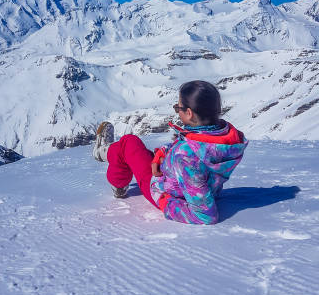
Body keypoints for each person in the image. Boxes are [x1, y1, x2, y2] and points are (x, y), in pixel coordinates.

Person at [93, 80, 248, 224]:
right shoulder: (224, 136)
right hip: (187, 183)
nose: (177, 111)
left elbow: (205, 215)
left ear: (189, 113)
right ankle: (109, 155)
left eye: (178, 108)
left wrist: (165, 202)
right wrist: (163, 152)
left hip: (162, 188)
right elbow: (195, 148)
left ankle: (108, 164)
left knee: (128, 143)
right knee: (138, 152)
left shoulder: (186, 156)